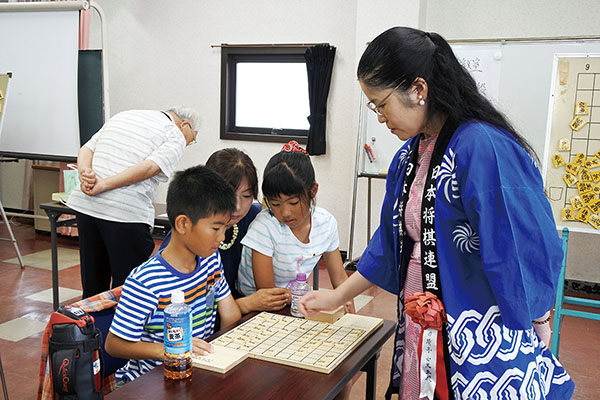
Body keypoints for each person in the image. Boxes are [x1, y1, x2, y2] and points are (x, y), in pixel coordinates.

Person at [299, 27, 574, 400]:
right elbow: (388, 246)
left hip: (479, 325)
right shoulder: (408, 156)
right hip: (422, 319)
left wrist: (536, 317)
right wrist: (335, 297)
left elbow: (523, 244)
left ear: (418, 89)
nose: (380, 117)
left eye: (381, 104)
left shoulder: (482, 146)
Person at [105, 165, 242, 384]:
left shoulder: (210, 260)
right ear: (183, 223)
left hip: (194, 372)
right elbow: (114, 345)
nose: (222, 237)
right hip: (152, 382)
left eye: (225, 228)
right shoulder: (146, 281)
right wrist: (172, 349)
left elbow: (230, 314)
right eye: (216, 229)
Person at [67, 106, 200, 299]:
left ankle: (93, 319)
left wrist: (85, 174)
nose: (188, 144)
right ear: (185, 125)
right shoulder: (175, 133)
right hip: (124, 213)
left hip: (87, 206)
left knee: (93, 285)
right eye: (192, 139)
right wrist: (103, 184)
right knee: (129, 289)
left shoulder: (125, 115)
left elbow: (87, 148)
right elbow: (150, 168)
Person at [160, 148, 289, 313]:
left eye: (246, 196)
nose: (237, 206)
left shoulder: (256, 219)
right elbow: (184, 310)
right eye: (230, 195)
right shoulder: (189, 237)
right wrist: (246, 304)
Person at [238, 141, 354, 314]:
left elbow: (340, 280)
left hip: (295, 301)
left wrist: (348, 305)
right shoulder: (265, 227)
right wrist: (306, 296)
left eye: (293, 202)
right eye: (275, 204)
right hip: (259, 308)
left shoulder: (326, 223)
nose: (285, 213)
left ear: (313, 191)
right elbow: (268, 295)